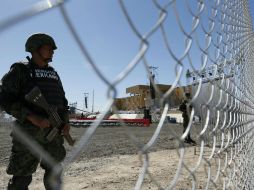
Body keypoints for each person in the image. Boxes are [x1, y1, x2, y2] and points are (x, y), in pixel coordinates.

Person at [0, 33, 70, 190]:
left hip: (53, 133)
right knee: (22, 179)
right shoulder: (20, 70)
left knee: (54, 174)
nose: (53, 51)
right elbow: (4, 99)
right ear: (35, 49)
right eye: (48, 48)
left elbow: (62, 102)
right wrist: (31, 117)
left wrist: (65, 123)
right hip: (28, 133)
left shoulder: (53, 74)